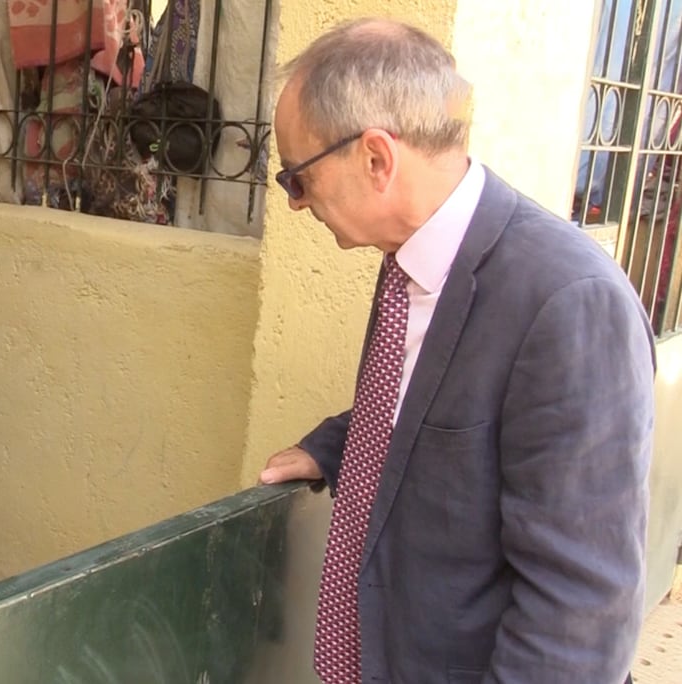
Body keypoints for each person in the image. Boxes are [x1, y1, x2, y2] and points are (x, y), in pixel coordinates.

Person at [258, 17, 656, 684]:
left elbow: (580, 612)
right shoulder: (410, 265)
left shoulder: (566, 301)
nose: (297, 204)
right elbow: (440, 406)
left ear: (376, 159)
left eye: (296, 178)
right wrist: (338, 445)